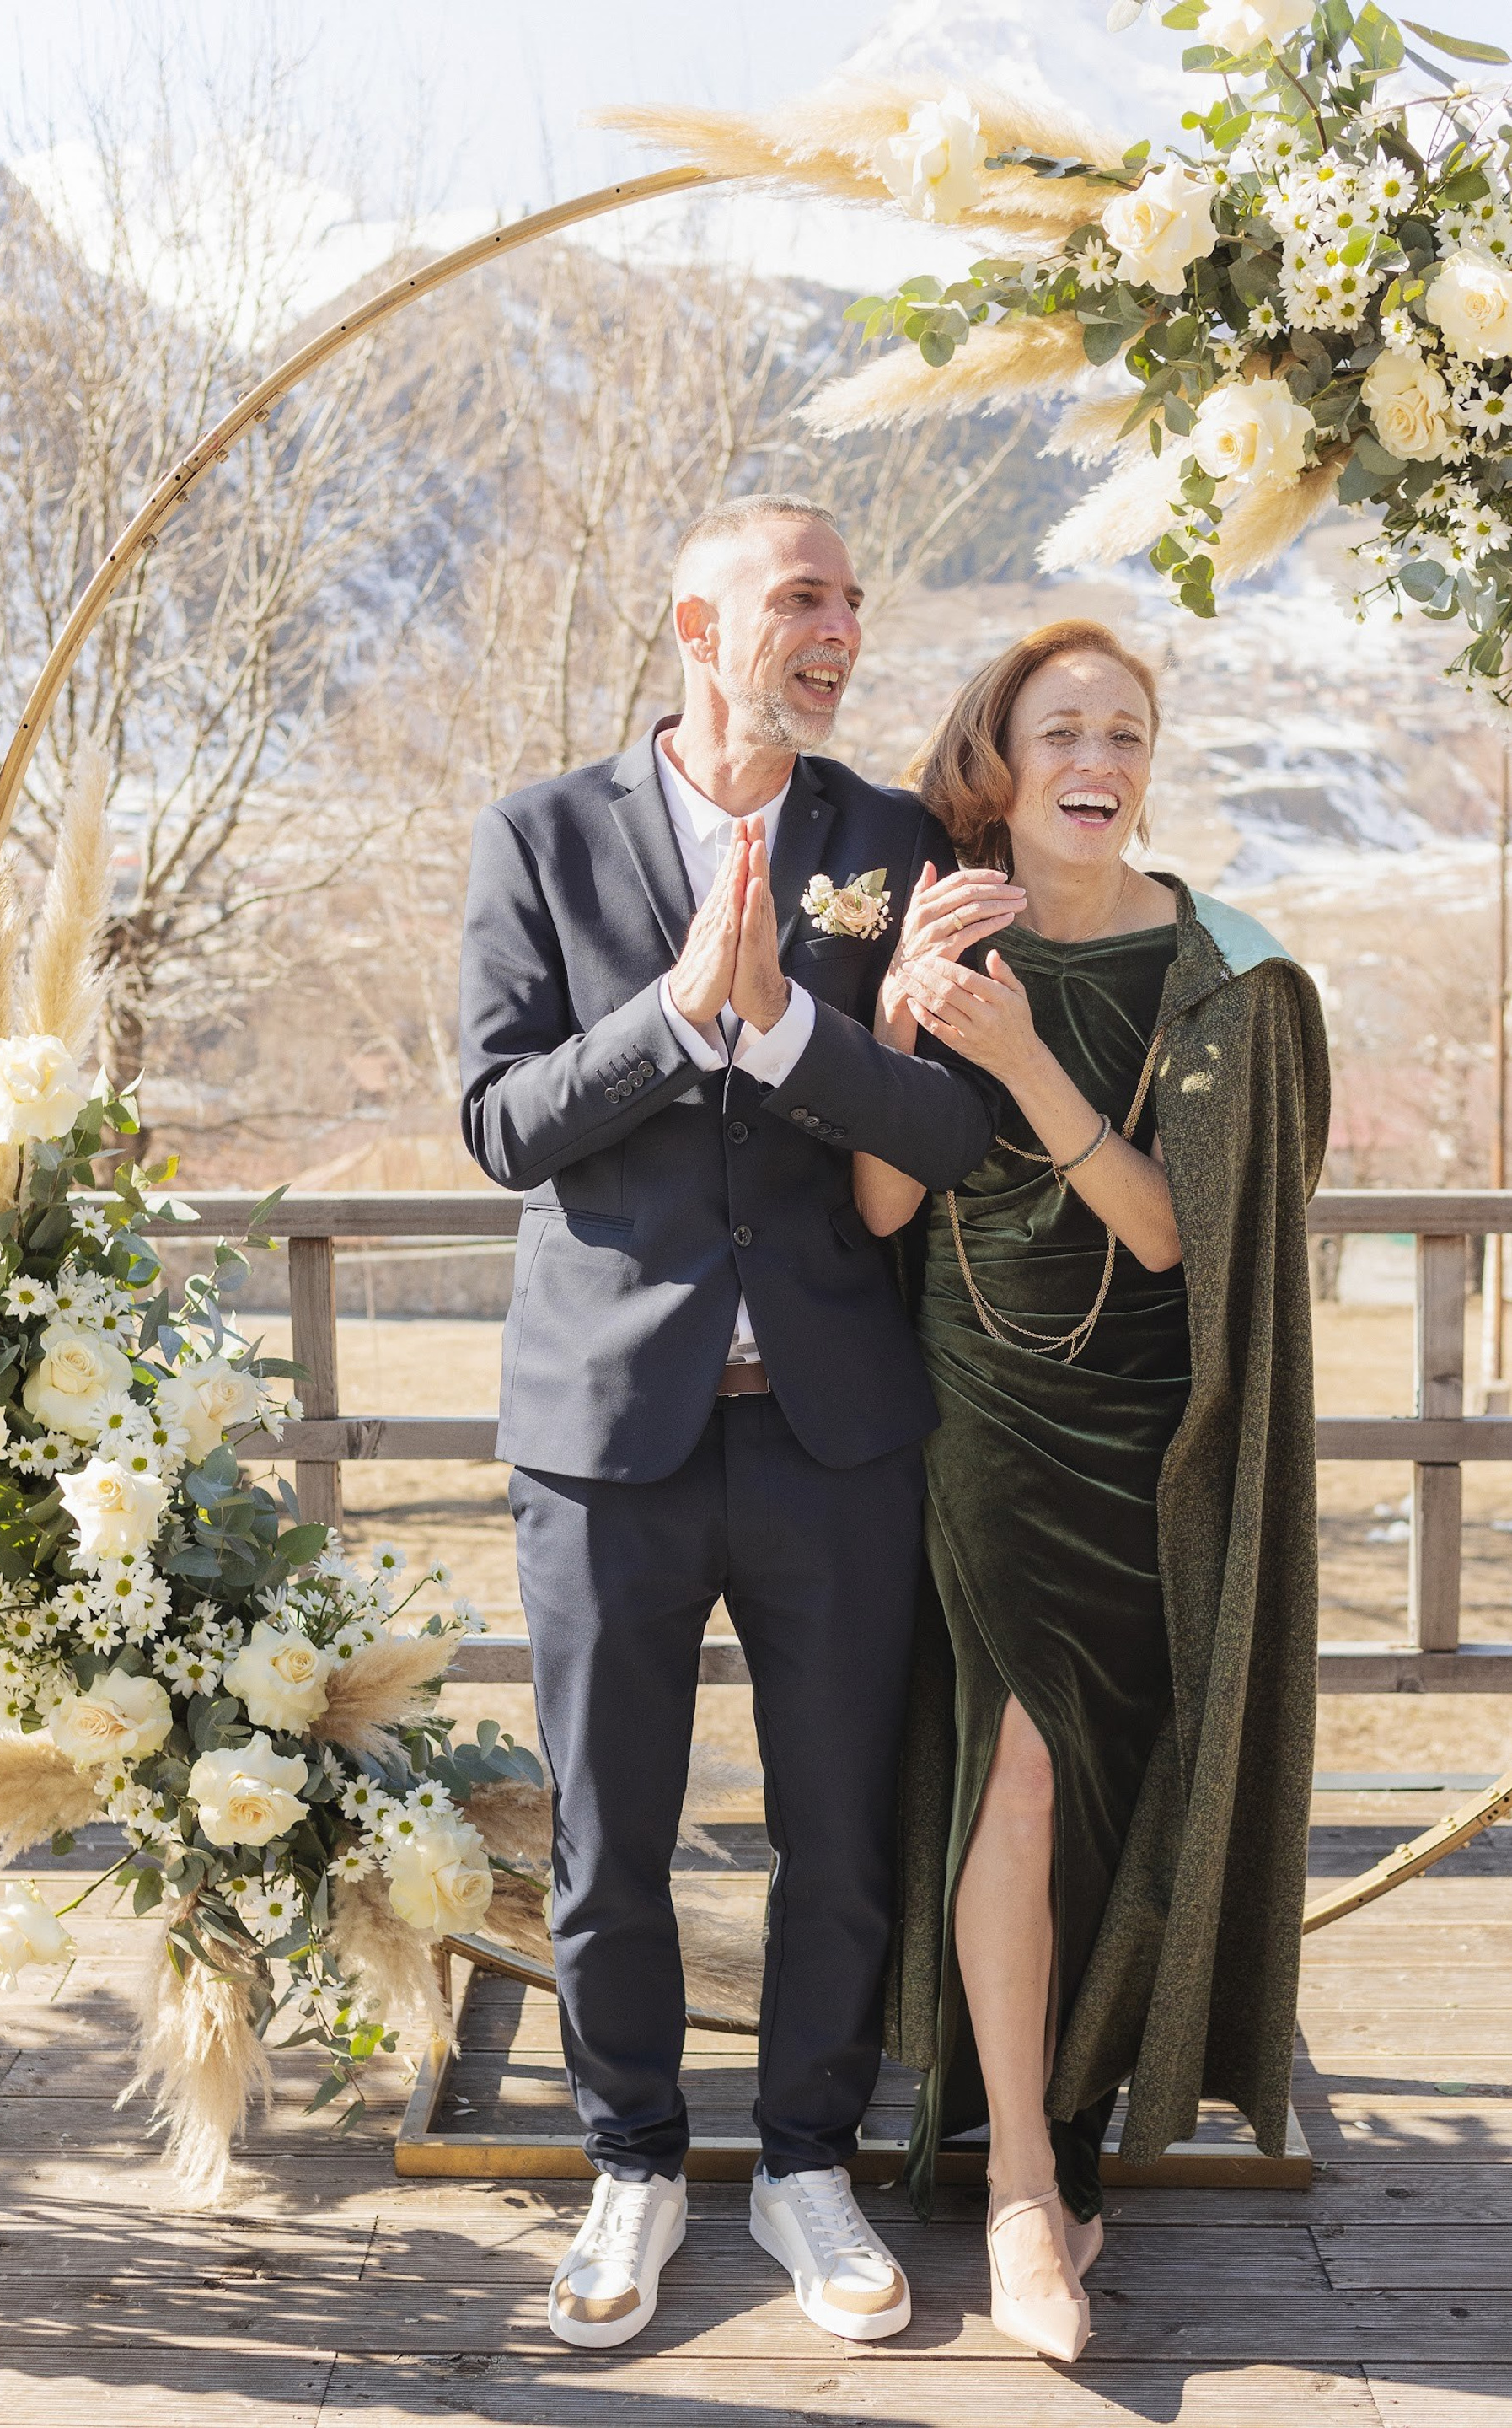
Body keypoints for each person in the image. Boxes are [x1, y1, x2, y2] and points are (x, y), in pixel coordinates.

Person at [458, 495, 1005, 2349]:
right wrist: (680, 1016)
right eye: (802, 598)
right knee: (611, 1835)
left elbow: (944, 1135)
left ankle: (801, 2167)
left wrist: (785, 1032)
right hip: (605, 1429)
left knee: (838, 1829)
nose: (840, 627)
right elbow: (502, 1123)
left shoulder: (894, 841)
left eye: (854, 598)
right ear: (697, 625)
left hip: (835, 1429)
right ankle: (628, 2162)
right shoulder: (539, 835)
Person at [853, 617, 1328, 2364]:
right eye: (1066, 724)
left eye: (1128, 729)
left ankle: (1071, 2084)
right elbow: (886, 1221)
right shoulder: (937, 938)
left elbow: (1169, 1235)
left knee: (1124, 1775)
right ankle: (1024, 2189)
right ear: (1003, 753)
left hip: (1158, 1434)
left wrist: (1023, 1055)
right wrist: (905, 1032)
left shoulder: (1210, 970)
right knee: (1023, 1770)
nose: (1100, 755)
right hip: (980, 1420)